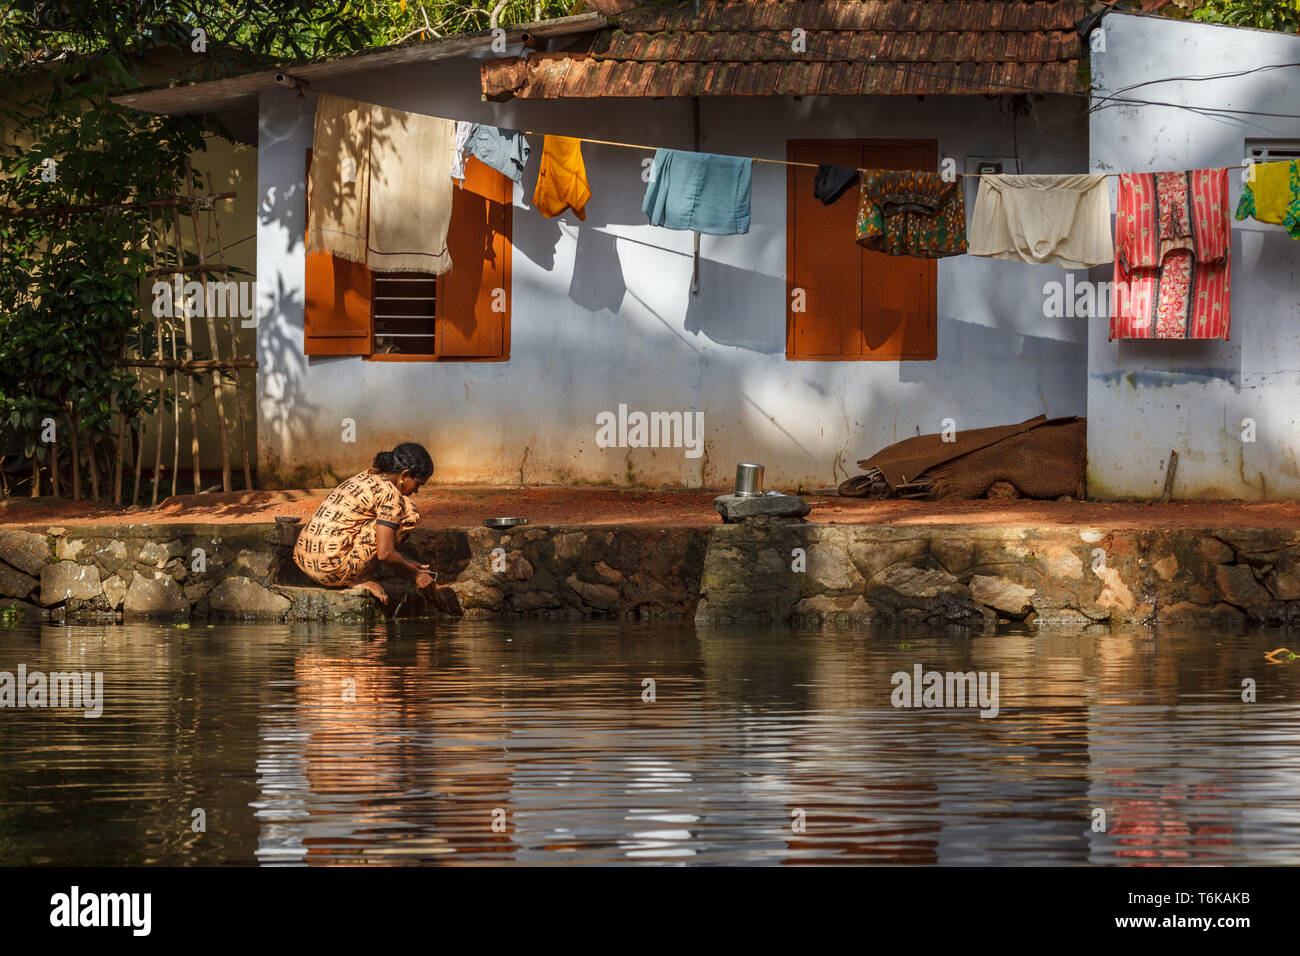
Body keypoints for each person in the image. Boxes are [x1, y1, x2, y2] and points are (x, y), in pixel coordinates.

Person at [293, 442, 437, 603]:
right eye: (418, 484)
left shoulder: (369, 475)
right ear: (404, 475)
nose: (416, 491)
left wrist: (403, 561)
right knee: (409, 511)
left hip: (305, 560)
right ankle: (355, 578)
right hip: (330, 571)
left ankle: (351, 571)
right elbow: (385, 554)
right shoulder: (390, 494)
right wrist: (416, 574)